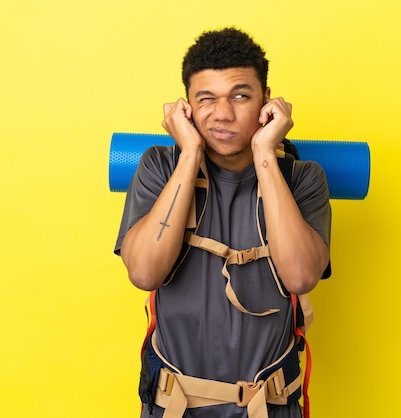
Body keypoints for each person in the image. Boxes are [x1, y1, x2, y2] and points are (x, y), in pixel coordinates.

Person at [114, 27, 331, 418]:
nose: (223, 113)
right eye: (206, 99)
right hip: (175, 407)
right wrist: (190, 153)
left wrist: (265, 150)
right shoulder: (160, 168)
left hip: (269, 408)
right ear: (186, 109)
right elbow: (144, 272)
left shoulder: (303, 178)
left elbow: (300, 277)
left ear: (267, 101)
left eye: (240, 95)